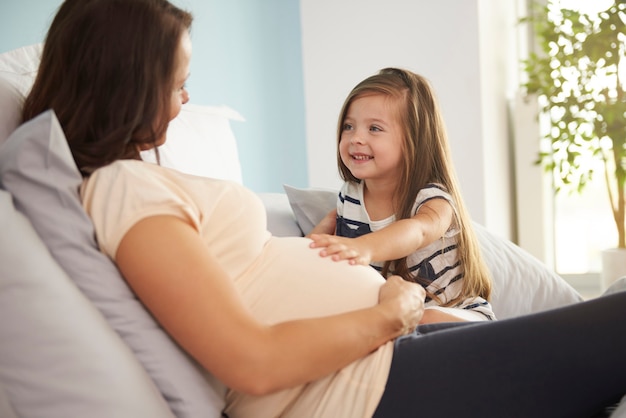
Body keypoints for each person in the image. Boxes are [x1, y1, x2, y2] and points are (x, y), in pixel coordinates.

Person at [22, 0, 626, 417]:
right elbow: (252, 362)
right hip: (368, 385)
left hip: (387, 358)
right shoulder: (123, 189)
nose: (187, 100)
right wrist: (391, 312)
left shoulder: (135, 183)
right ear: (128, 86)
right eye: (178, 84)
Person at [308, 68, 494, 323]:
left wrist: (362, 247)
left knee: (421, 318)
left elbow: (417, 231)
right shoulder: (349, 197)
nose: (356, 138)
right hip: (394, 316)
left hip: (456, 313)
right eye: (349, 126)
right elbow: (321, 249)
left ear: (413, 142)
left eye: (374, 128)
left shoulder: (433, 201)